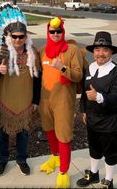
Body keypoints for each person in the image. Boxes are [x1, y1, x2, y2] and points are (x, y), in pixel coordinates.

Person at [76, 31, 117, 189]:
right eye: (97, 50)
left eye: (105, 50)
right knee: (94, 148)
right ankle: (93, 174)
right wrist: (84, 110)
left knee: (111, 153)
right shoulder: (90, 68)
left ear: (111, 52)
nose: (101, 53)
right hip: (92, 119)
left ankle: (109, 180)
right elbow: (84, 93)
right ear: (94, 52)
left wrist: (99, 97)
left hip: (109, 121)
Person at [0, 22, 41, 176]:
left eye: (21, 36)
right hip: (4, 99)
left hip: (25, 99)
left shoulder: (33, 52)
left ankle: (21, 159)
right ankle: (2, 159)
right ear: (9, 36)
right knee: (1, 133)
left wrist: (36, 100)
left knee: (23, 134)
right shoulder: (2, 51)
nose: (18, 40)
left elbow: (38, 78)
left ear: (26, 37)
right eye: (15, 36)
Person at [39, 17, 83, 188]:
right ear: (48, 33)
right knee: (49, 129)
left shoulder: (72, 50)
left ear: (62, 32)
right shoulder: (42, 51)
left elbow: (78, 75)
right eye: (52, 32)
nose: (55, 34)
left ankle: (64, 172)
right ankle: (55, 158)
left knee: (64, 135)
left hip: (64, 100)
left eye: (58, 31)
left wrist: (62, 68)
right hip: (45, 99)